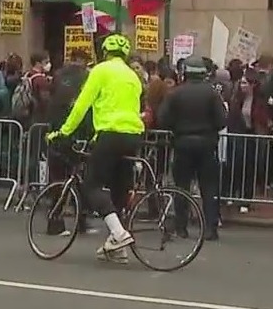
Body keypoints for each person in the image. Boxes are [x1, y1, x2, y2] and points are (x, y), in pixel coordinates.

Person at [46, 34, 144, 264]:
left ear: (104, 52)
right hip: (134, 135)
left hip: (110, 133)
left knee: (92, 184)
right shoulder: (133, 76)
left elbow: (82, 105)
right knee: (119, 188)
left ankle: (119, 234)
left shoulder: (100, 71)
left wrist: (64, 132)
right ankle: (116, 247)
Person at [157, 55, 227, 241]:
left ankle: (181, 227)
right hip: (206, 144)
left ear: (184, 73)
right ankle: (210, 228)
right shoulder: (212, 94)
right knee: (209, 188)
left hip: (182, 143)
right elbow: (222, 120)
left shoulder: (175, 94)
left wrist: (176, 127)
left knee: (182, 187)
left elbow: (163, 119)